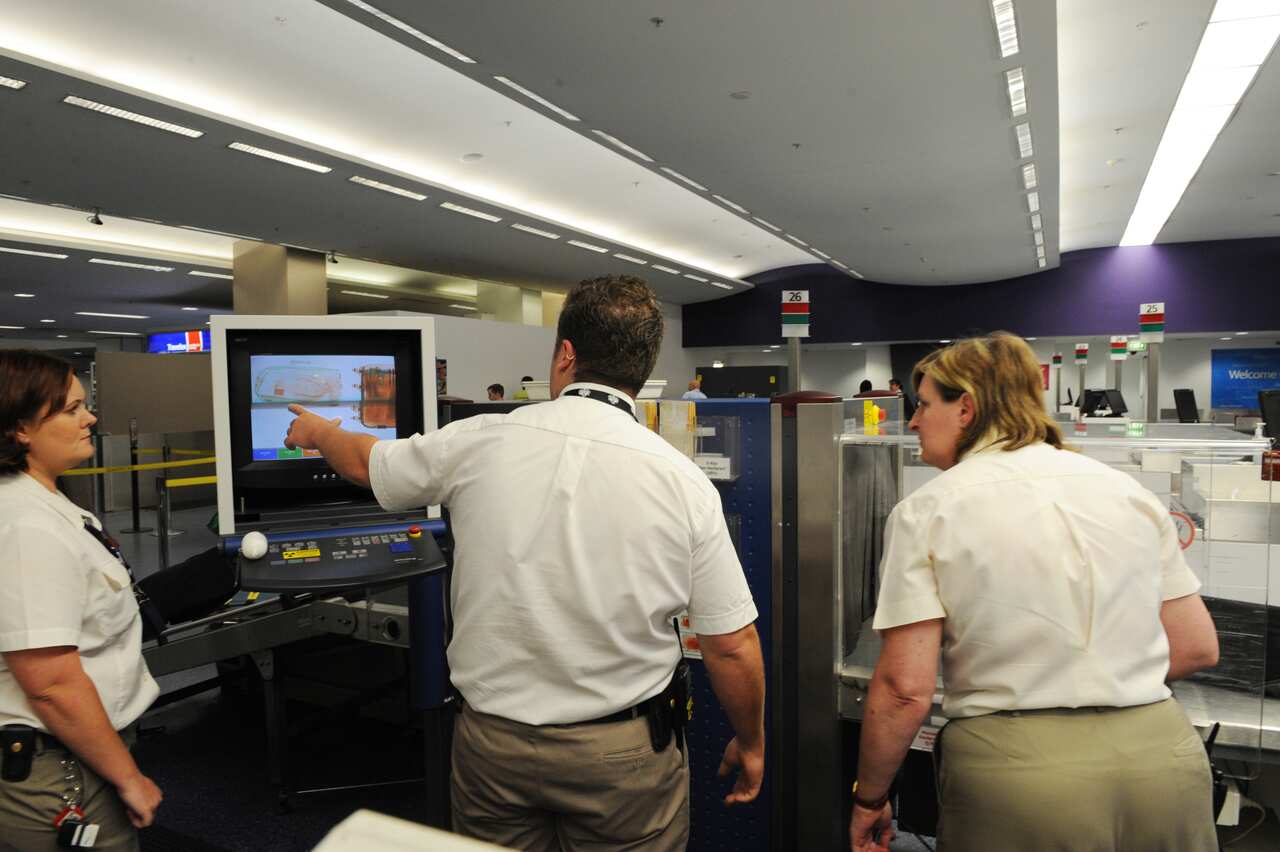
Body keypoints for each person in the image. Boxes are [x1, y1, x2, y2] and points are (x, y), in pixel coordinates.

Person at [284, 275, 765, 851]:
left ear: (566, 355)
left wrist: (318, 430)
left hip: (493, 749)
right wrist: (751, 741)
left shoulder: (476, 441)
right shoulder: (682, 481)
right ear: (641, 370)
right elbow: (731, 644)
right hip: (621, 754)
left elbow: (367, 462)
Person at [850, 333, 1219, 852]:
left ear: (966, 409)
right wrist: (1102, 676)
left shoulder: (928, 510)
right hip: (1165, 763)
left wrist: (869, 797)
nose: (913, 422)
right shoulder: (1128, 491)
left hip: (1019, 772)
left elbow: (904, 689)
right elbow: (1196, 646)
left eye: (924, 405)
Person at [0, 350, 163, 851]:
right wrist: (129, 777)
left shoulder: (45, 503)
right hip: (55, 768)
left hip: (75, 749)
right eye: (72, 409)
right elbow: (51, 683)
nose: (90, 418)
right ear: (21, 429)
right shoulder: (26, 524)